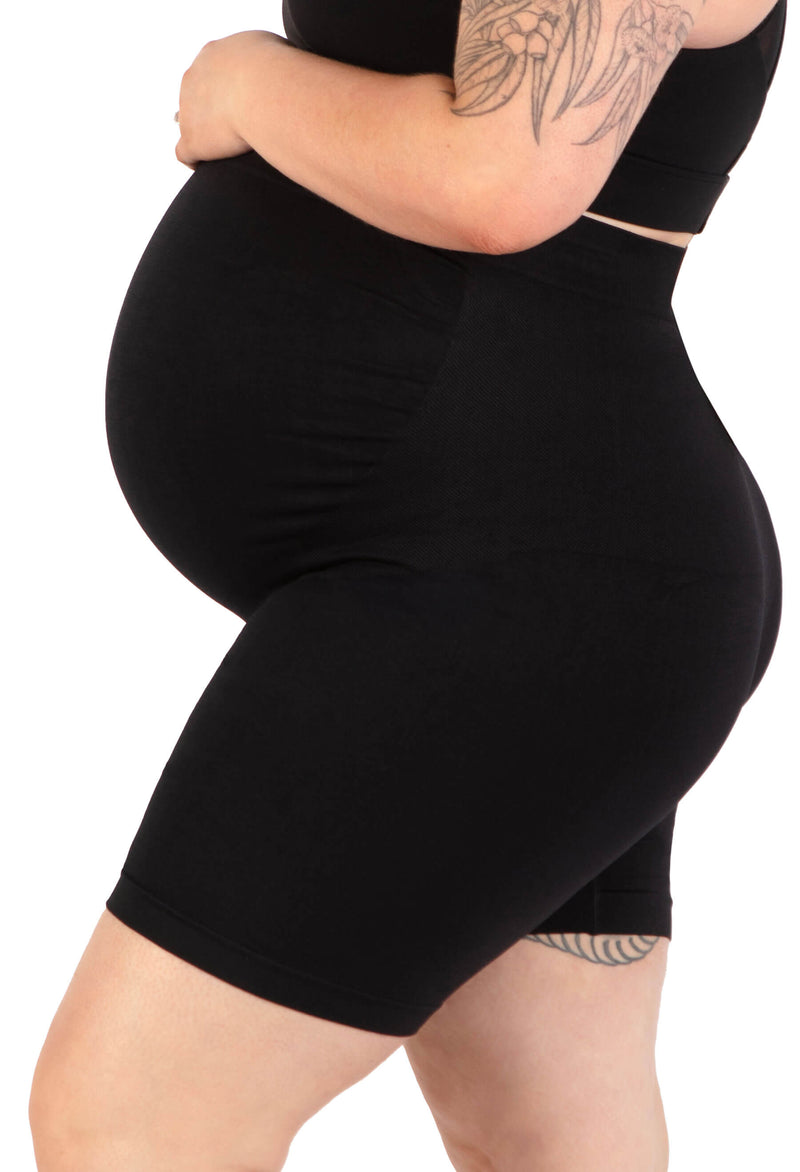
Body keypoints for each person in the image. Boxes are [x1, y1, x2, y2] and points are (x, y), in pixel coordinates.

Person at [28, 1, 787, 1169]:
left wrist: (246, 85)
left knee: (130, 1118)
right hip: (538, 578)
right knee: (537, 1139)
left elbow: (498, 177)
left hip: (526, 577)